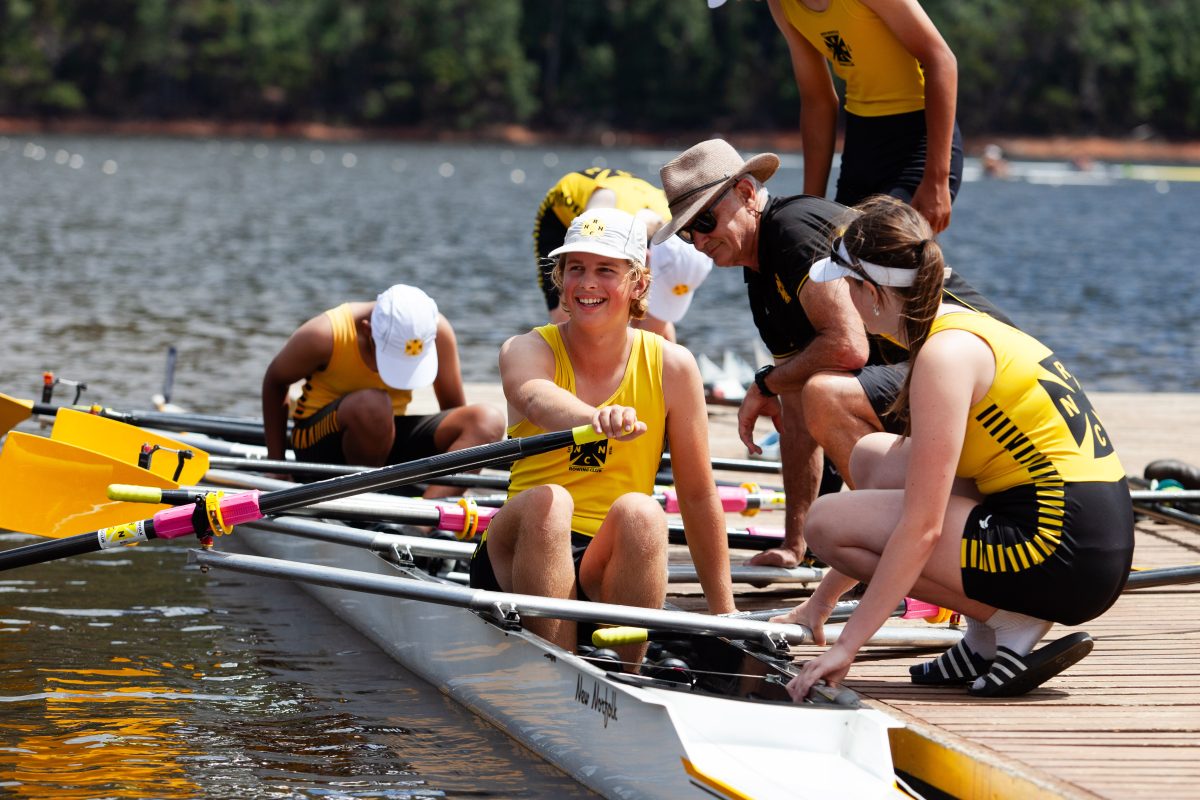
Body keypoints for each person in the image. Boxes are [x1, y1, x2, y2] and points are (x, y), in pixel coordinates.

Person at [772, 196, 1133, 698]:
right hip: (1091, 536)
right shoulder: (961, 326)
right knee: (874, 458)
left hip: (1061, 549)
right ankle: (983, 636)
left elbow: (922, 526)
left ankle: (1010, 621)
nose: (844, 300)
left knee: (825, 523)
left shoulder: (943, 357)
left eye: (847, 286)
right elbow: (934, 493)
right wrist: (820, 604)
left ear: (872, 292)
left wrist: (846, 646)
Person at [653, 138, 1010, 570]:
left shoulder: (792, 230)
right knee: (809, 390)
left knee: (827, 393)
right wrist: (795, 543)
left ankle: (896, 551)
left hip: (985, 373)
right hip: (935, 379)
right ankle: (850, 545)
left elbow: (847, 347)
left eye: (705, 220)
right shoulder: (760, 272)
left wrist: (764, 383)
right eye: (687, 232)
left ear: (746, 194)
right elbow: (795, 403)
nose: (698, 240)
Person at [474, 207, 736, 666]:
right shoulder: (526, 348)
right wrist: (593, 419)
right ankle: (555, 671)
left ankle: (625, 672)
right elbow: (535, 398)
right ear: (560, 279)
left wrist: (726, 615)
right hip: (520, 554)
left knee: (643, 511)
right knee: (550, 501)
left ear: (638, 283)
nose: (587, 283)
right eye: (575, 268)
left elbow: (697, 496)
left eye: (606, 270)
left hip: (609, 562)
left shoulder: (673, 366)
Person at [261, 284, 506, 497]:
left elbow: (454, 411)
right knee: (373, 405)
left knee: (487, 420)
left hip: (386, 436)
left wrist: (462, 471)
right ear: (367, 330)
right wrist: (277, 465)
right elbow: (275, 381)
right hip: (319, 445)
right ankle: (365, 500)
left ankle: (422, 519)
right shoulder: (324, 334)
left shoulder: (435, 330)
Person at [752, 0, 962, 233]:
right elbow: (817, 102)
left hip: (918, 143)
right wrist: (810, 207)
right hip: (861, 146)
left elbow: (941, 59)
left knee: (876, 241)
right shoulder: (781, 5)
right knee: (834, 248)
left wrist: (937, 179)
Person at [534, 167, 714, 340]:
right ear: (645, 258)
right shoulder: (604, 217)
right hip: (563, 218)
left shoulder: (678, 229)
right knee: (572, 312)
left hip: (635, 197)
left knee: (645, 320)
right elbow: (586, 266)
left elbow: (658, 325)